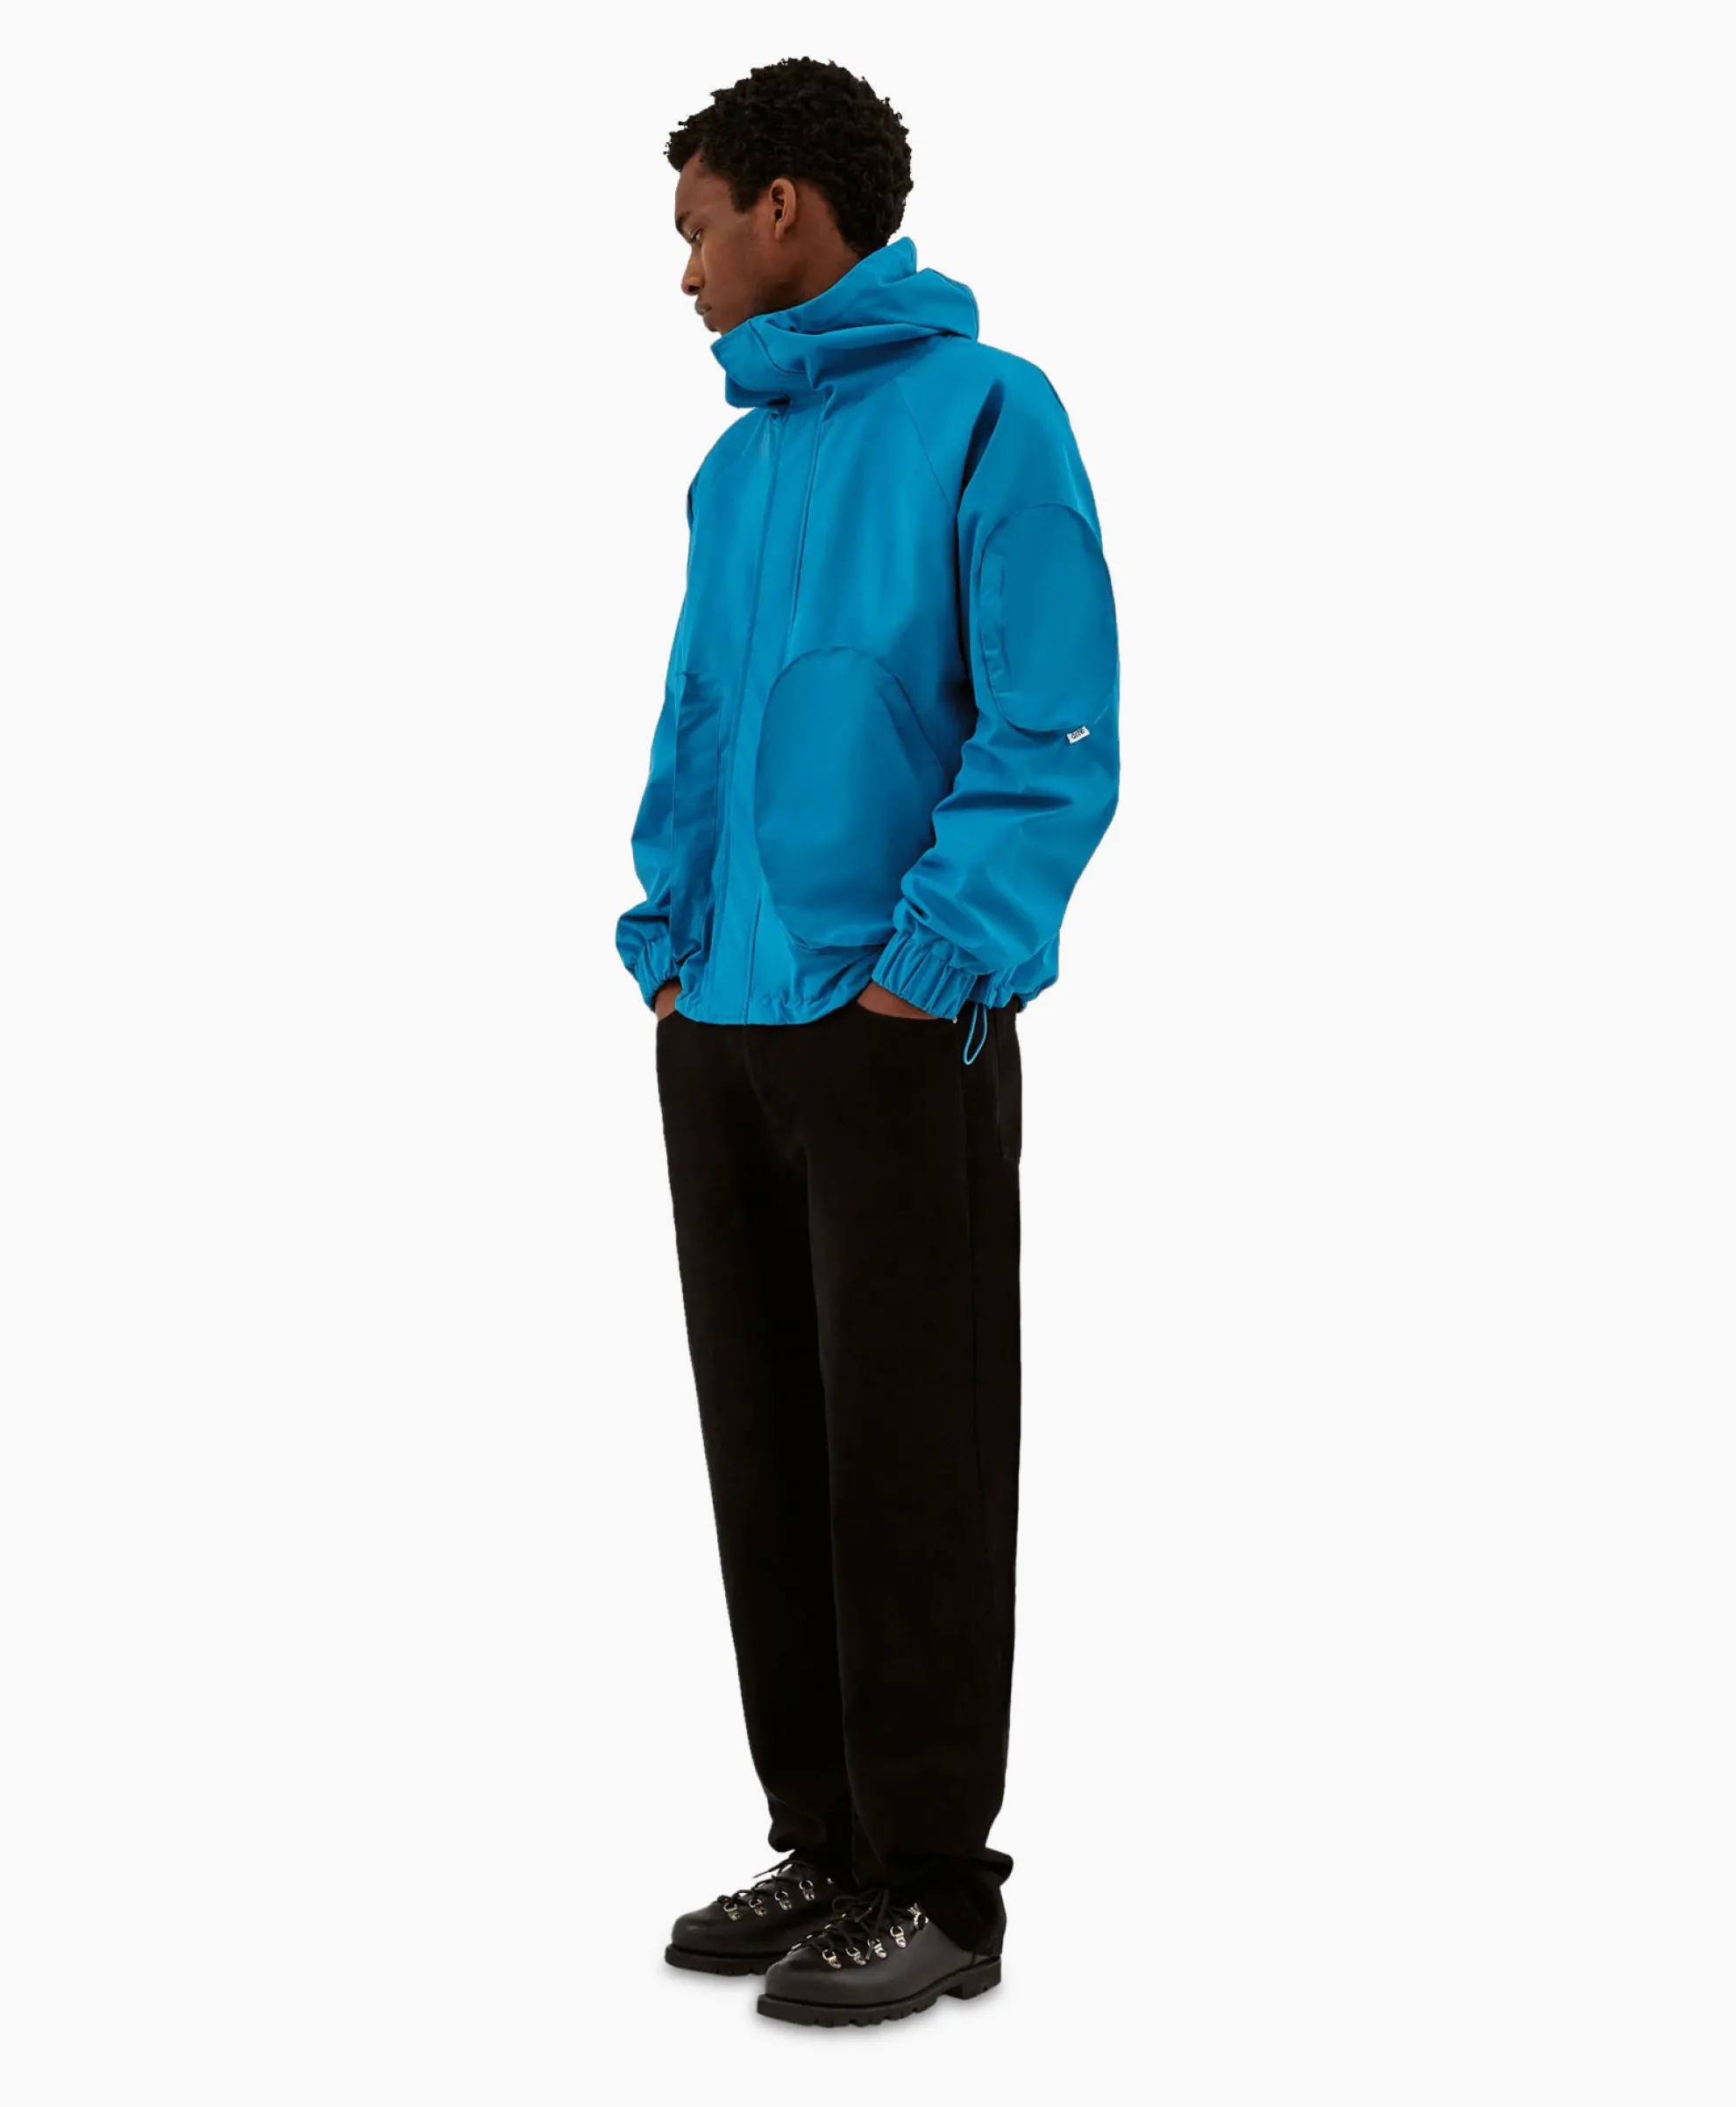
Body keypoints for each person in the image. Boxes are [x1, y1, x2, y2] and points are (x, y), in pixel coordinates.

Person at [615, 56, 1121, 2029]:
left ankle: (932, 1881)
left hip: (900, 1028)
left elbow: (1053, 725)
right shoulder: (736, 469)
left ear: (787, 209)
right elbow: (698, 726)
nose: (684, 272)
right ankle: (822, 1840)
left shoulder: (992, 413)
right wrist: (669, 947)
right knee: (769, 1446)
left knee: (911, 1450)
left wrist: (934, 963)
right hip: (723, 1024)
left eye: (696, 227)